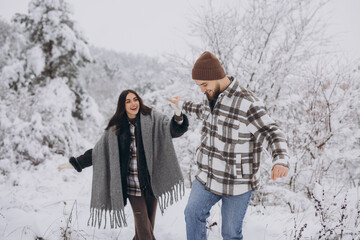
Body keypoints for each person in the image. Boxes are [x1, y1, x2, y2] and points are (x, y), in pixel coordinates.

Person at [169, 51, 290, 240]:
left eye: (204, 85)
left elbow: (271, 132)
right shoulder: (209, 97)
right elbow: (200, 110)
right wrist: (181, 105)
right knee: (192, 214)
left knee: (230, 233)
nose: (202, 90)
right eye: (199, 86)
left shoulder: (248, 104)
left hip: (238, 183)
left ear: (216, 77)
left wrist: (280, 159)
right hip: (207, 176)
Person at [58, 89, 188, 240]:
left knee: (145, 230)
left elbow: (172, 130)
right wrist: (77, 163)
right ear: (123, 105)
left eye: (135, 99)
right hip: (132, 186)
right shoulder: (116, 128)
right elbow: (99, 152)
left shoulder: (152, 118)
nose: (133, 103)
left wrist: (178, 116)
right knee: (145, 232)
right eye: (128, 101)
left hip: (152, 183)